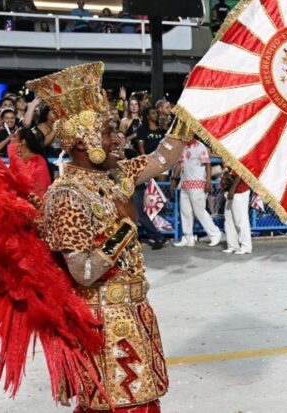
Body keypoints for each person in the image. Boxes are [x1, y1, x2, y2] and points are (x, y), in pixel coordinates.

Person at [28, 61, 190, 411]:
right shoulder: (66, 196)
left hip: (132, 312)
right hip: (101, 324)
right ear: (84, 142)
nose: (118, 139)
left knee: (143, 403)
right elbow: (83, 272)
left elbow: (163, 158)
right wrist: (126, 227)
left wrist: (190, 112)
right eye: (107, 132)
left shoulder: (114, 175)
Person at [171, 137, 222, 248]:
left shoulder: (200, 146)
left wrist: (208, 181)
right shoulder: (182, 146)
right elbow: (179, 164)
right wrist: (174, 179)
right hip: (185, 184)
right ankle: (188, 237)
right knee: (185, 212)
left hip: (198, 184)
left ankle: (215, 234)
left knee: (199, 211)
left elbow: (207, 164)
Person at [134, 107, 168, 249]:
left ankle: (159, 234)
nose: (156, 115)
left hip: (161, 163)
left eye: (157, 112)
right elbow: (141, 149)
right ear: (147, 116)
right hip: (147, 166)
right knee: (138, 212)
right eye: (153, 113)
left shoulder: (162, 130)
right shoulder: (142, 130)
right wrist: (148, 164)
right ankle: (155, 235)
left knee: (141, 211)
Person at [8, 127, 52, 196]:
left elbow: (42, 188)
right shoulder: (15, 160)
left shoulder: (38, 160)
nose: (11, 139)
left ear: (23, 141)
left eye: (15, 137)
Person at [222, 167, 252, 254]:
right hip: (230, 190)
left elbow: (240, 172)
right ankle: (233, 246)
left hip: (239, 191)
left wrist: (232, 189)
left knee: (240, 220)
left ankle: (246, 246)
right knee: (229, 220)